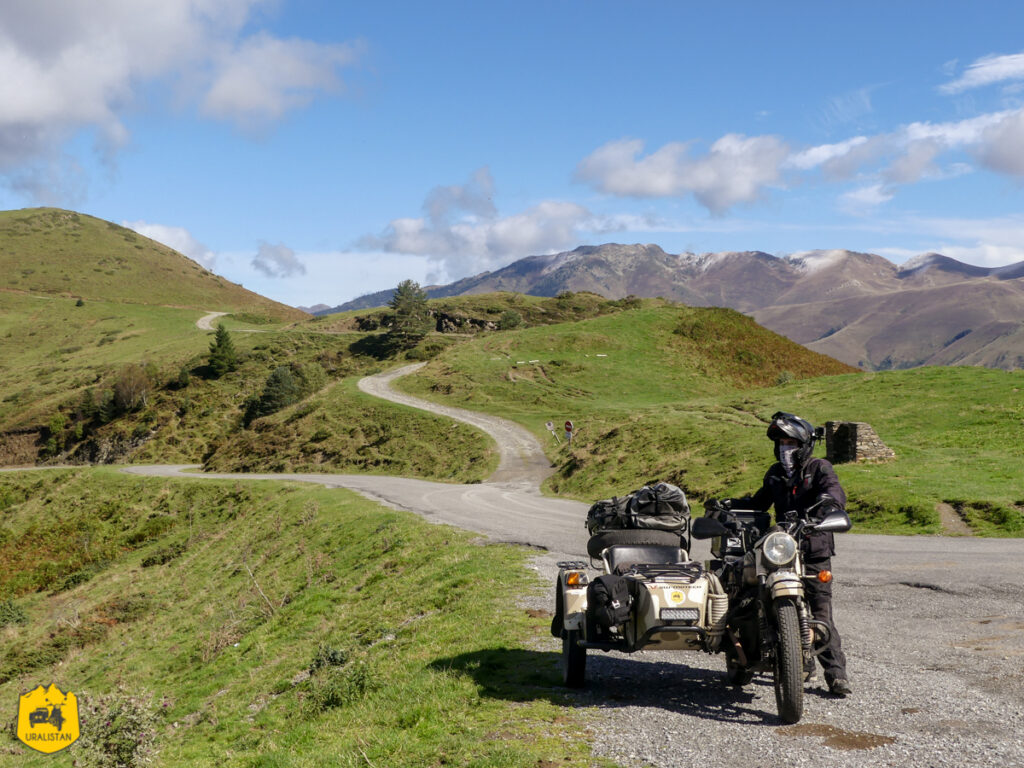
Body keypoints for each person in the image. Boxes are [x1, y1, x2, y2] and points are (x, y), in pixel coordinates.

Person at [731, 411, 852, 697]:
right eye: (781, 442)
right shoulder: (774, 474)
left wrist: (824, 504)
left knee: (821, 614)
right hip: (780, 552)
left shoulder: (820, 468)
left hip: (813, 550)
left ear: (804, 444)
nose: (785, 448)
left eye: (791, 443)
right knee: (757, 597)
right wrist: (732, 505)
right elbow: (760, 503)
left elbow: (835, 494)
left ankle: (836, 676)